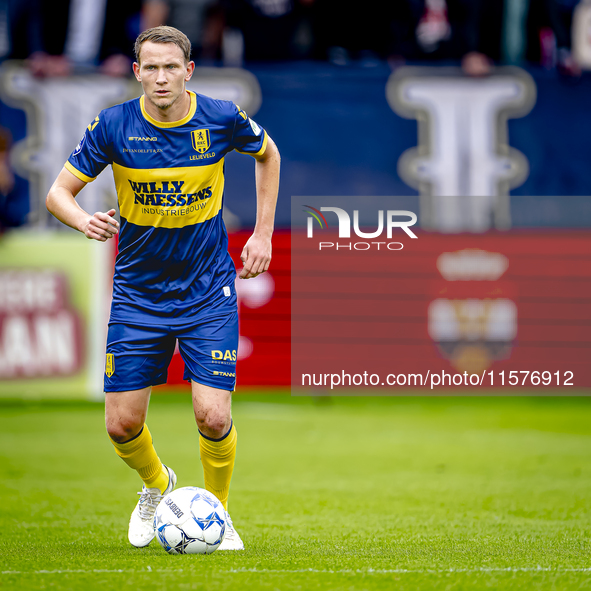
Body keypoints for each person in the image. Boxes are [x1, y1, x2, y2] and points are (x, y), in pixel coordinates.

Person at [45, 25, 280, 550]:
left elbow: (269, 154)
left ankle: (218, 517)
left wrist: (262, 233)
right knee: (121, 427)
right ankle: (157, 487)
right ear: (136, 72)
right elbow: (58, 193)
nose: (160, 77)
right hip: (138, 294)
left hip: (206, 291)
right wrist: (82, 220)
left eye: (170, 66)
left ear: (188, 71)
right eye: (150, 67)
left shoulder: (219, 117)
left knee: (213, 414)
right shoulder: (113, 125)